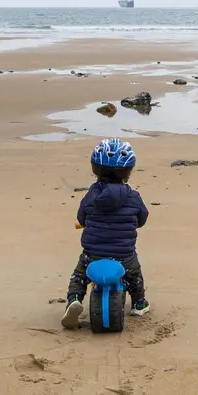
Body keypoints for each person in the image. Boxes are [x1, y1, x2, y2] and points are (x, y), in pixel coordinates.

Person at [62, 138, 150, 329]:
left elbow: (82, 217)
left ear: (95, 169)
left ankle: (74, 300)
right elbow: (142, 218)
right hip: (123, 254)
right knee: (134, 274)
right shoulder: (133, 197)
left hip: (92, 254)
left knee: (79, 276)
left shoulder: (92, 195)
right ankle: (139, 302)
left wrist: (86, 222)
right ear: (128, 172)